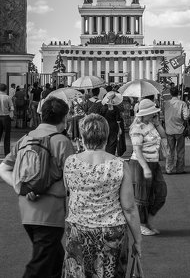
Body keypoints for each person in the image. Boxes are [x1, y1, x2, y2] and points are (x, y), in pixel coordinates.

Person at [0, 96, 74, 278]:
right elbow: (72, 180)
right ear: (63, 118)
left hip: (27, 211)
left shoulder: (25, 139)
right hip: (51, 213)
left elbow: (2, 169)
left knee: (54, 262)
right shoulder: (61, 142)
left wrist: (21, 188)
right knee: (39, 267)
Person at [63, 114, 142, 277]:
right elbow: (129, 207)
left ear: (83, 137)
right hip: (111, 232)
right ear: (106, 136)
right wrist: (138, 240)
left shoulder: (71, 162)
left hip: (79, 229)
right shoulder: (119, 164)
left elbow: (68, 192)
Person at [129, 98, 168, 236]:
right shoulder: (137, 128)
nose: (154, 115)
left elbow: (163, 136)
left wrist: (157, 124)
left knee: (160, 192)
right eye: (152, 113)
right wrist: (145, 167)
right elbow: (137, 151)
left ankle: (148, 221)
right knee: (142, 196)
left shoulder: (151, 124)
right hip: (140, 164)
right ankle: (141, 224)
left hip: (153, 162)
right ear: (145, 113)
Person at [163, 85, 189, 174]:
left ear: (170, 94)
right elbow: (186, 116)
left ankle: (168, 168)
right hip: (179, 129)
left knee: (170, 149)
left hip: (169, 129)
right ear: (178, 93)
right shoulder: (182, 103)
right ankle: (180, 169)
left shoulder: (166, 103)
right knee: (180, 150)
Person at [0, 83, 14, 158]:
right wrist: (11, 116)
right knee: (7, 136)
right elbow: (12, 108)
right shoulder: (7, 97)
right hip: (6, 117)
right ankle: (7, 153)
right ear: (6, 89)